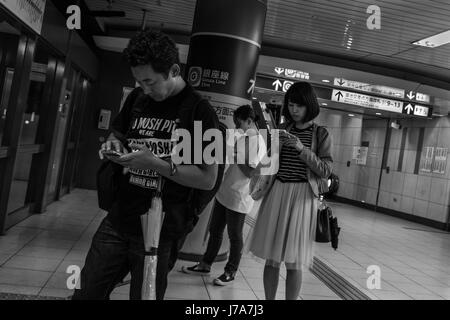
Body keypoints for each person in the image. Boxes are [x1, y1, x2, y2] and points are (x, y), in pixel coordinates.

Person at [72, 29, 220, 300]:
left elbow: (208, 178)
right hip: (119, 217)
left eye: (150, 81)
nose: (145, 89)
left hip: (161, 230)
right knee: (86, 293)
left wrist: (155, 163)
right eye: (139, 82)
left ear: (174, 70)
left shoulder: (200, 112)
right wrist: (112, 145)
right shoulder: (137, 99)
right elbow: (117, 134)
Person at [246, 82, 333, 300]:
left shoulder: (321, 133)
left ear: (309, 106)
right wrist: (273, 150)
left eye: (299, 106)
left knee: (294, 262)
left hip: (303, 197)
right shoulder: (283, 129)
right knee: (272, 258)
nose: (294, 110)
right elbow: (270, 163)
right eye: (291, 105)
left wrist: (300, 148)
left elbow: (325, 170)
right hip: (278, 192)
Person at [182, 105, 266, 285]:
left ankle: (231, 271)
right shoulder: (244, 138)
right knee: (215, 230)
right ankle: (205, 264)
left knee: (235, 235)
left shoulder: (257, 141)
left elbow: (250, 172)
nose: (237, 127)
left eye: (239, 123)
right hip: (225, 191)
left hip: (239, 196)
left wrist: (234, 155)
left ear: (250, 121)